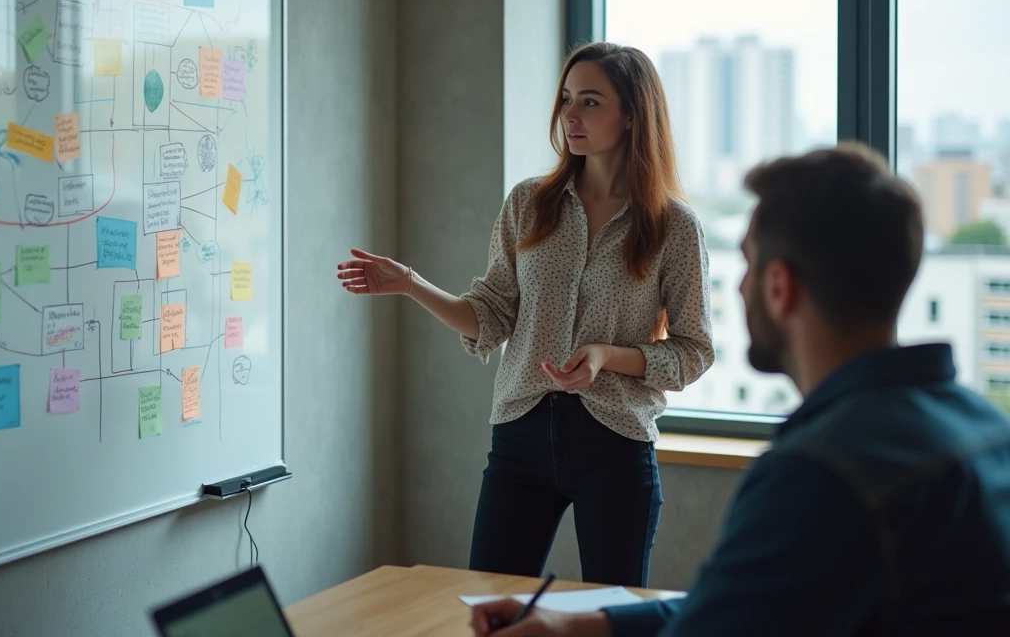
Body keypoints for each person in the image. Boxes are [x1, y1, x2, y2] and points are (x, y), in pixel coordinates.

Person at [469, 143, 1010, 637]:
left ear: (780, 286)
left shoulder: (822, 472)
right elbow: (731, 607)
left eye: (748, 263)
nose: (739, 284)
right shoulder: (984, 430)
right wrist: (577, 627)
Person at [338, 42, 714, 586]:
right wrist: (410, 285)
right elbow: (490, 316)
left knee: (610, 616)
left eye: (590, 102)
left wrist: (607, 357)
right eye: (566, 99)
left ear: (632, 114)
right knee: (490, 606)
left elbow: (693, 351)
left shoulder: (673, 227)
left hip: (615, 443)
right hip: (520, 437)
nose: (569, 115)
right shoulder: (529, 204)